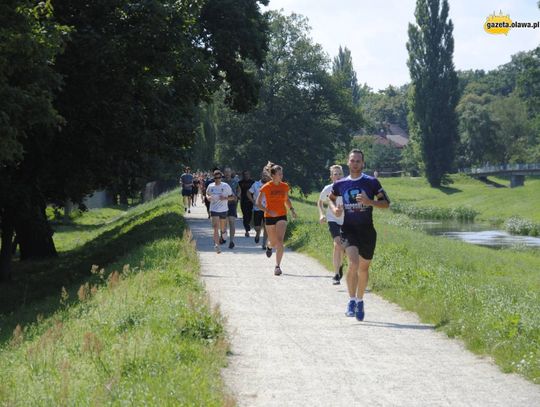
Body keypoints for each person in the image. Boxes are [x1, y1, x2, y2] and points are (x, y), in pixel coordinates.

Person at [328, 149, 390, 321]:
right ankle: (351, 300)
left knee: (363, 268)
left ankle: (360, 300)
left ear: (363, 163)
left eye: (358, 161)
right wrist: (335, 209)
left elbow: (386, 203)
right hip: (349, 229)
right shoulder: (340, 184)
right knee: (353, 263)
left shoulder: (371, 182)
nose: (355, 164)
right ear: (347, 162)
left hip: (367, 231)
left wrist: (369, 202)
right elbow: (331, 198)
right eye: (352, 160)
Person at [256, 162, 297, 276]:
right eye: (279, 174)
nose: (281, 175)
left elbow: (286, 199)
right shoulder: (266, 187)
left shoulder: (284, 186)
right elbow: (258, 203)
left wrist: (292, 209)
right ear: (273, 175)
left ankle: (277, 266)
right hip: (269, 216)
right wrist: (268, 211)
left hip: (281, 215)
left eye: (282, 173)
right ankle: (269, 246)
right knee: (273, 242)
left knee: (280, 240)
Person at [318, 165, 345, 285]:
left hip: (346, 220)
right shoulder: (328, 189)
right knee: (337, 244)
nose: (338, 176)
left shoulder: (347, 187)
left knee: (343, 248)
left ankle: (340, 265)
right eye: (335, 174)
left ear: (343, 175)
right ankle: (336, 274)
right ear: (331, 177)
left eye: (340, 174)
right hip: (332, 218)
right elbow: (319, 202)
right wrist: (321, 214)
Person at [206, 169, 234, 254]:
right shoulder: (210, 186)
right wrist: (208, 197)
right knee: (215, 227)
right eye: (215, 177)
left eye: (219, 177)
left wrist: (225, 198)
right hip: (214, 209)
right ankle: (217, 245)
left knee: (222, 228)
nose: (217, 179)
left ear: (221, 177)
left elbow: (233, 197)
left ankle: (223, 233)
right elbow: (207, 193)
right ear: (213, 178)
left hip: (223, 210)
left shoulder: (226, 186)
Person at [248, 171, 270, 250]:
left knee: (266, 227)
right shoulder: (256, 184)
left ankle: (264, 244)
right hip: (257, 208)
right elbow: (248, 193)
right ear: (261, 176)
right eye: (263, 175)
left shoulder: (270, 185)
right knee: (257, 227)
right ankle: (258, 233)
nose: (264, 177)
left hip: (267, 209)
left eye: (266, 175)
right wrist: (253, 201)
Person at [223, 167, 241, 249]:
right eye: (226, 172)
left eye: (228, 172)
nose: (227, 174)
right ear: (224, 173)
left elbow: (239, 190)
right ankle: (223, 235)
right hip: (222, 205)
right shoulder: (221, 182)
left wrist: (237, 195)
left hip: (232, 204)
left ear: (231, 173)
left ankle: (231, 241)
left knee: (231, 221)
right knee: (224, 223)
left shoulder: (235, 182)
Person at [239, 170, 255, 237]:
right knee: (245, 216)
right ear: (243, 175)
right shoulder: (240, 183)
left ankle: (249, 226)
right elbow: (239, 191)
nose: (246, 175)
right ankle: (247, 230)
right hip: (243, 201)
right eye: (245, 174)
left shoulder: (253, 182)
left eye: (247, 174)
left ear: (249, 175)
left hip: (251, 202)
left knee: (250, 216)